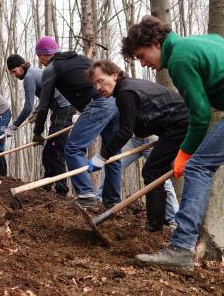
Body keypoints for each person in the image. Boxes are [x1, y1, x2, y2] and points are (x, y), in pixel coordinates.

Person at [121, 16, 224, 293]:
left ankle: (181, 248)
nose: (143, 64)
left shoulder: (179, 59)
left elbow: (199, 115)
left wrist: (184, 154)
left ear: (155, 43)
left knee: (198, 168)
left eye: (142, 56)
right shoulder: (207, 40)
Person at [86, 60, 188, 232]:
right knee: (155, 172)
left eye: (100, 81)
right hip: (173, 126)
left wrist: (102, 155)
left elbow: (126, 131)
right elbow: (138, 126)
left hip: (179, 125)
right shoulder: (127, 88)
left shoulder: (126, 92)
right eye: (95, 84)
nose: (98, 87)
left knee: (152, 171)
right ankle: (159, 223)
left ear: (114, 75)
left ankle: (156, 226)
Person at [32, 36, 121, 209]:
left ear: (46, 54)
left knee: (73, 149)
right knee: (112, 153)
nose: (39, 60)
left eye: (39, 55)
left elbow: (44, 104)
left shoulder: (52, 69)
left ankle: (87, 196)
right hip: (114, 101)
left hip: (98, 105)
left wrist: (37, 132)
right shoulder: (80, 59)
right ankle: (112, 202)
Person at [6, 53, 75, 196]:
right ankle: (47, 184)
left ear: (21, 66)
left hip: (65, 107)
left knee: (56, 147)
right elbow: (46, 96)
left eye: (14, 71)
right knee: (49, 150)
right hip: (59, 108)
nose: (13, 75)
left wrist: (14, 126)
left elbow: (27, 107)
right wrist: (37, 112)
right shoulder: (34, 73)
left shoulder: (29, 77)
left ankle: (61, 189)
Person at [96, 134, 179, 227]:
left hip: (153, 139)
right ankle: (98, 203)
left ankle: (174, 219)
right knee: (112, 167)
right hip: (131, 138)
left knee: (162, 178)